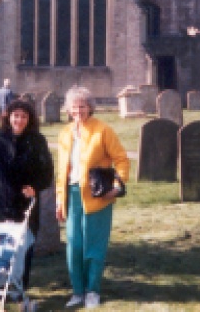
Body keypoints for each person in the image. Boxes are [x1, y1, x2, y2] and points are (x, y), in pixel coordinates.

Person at [56, 86, 130, 310]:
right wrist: (60, 199)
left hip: (98, 196)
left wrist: (117, 187)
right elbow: (62, 171)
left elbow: (122, 160)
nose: (78, 111)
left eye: (83, 106)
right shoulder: (65, 133)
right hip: (72, 195)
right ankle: (77, 291)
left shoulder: (103, 130)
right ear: (68, 109)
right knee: (74, 246)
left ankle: (92, 291)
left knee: (94, 246)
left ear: (90, 107)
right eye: (74, 107)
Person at [0, 97, 54, 294]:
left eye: (23, 116)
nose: (19, 120)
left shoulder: (37, 141)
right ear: (8, 117)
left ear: (30, 119)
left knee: (21, 247)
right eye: (15, 115)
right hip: (1, 202)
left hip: (25, 204)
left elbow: (47, 171)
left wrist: (35, 187)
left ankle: (18, 287)